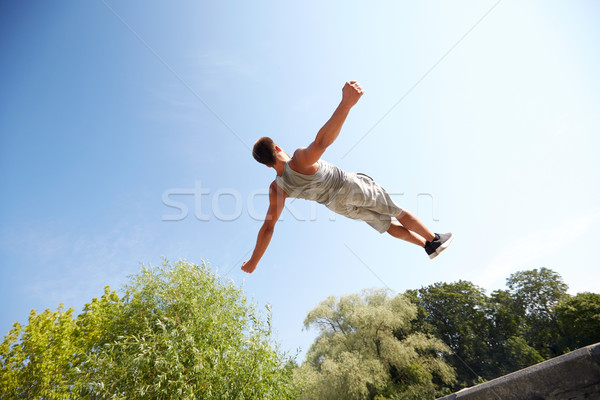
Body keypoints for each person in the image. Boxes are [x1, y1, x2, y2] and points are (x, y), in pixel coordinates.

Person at [242, 81, 452, 274]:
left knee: (387, 225)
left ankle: (426, 246)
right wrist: (346, 104)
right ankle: (433, 239)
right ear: (277, 147)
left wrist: (253, 261)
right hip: (347, 186)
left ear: (267, 164)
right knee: (396, 211)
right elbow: (321, 143)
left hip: (337, 206)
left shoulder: (276, 189)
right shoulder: (297, 159)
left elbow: (268, 228)